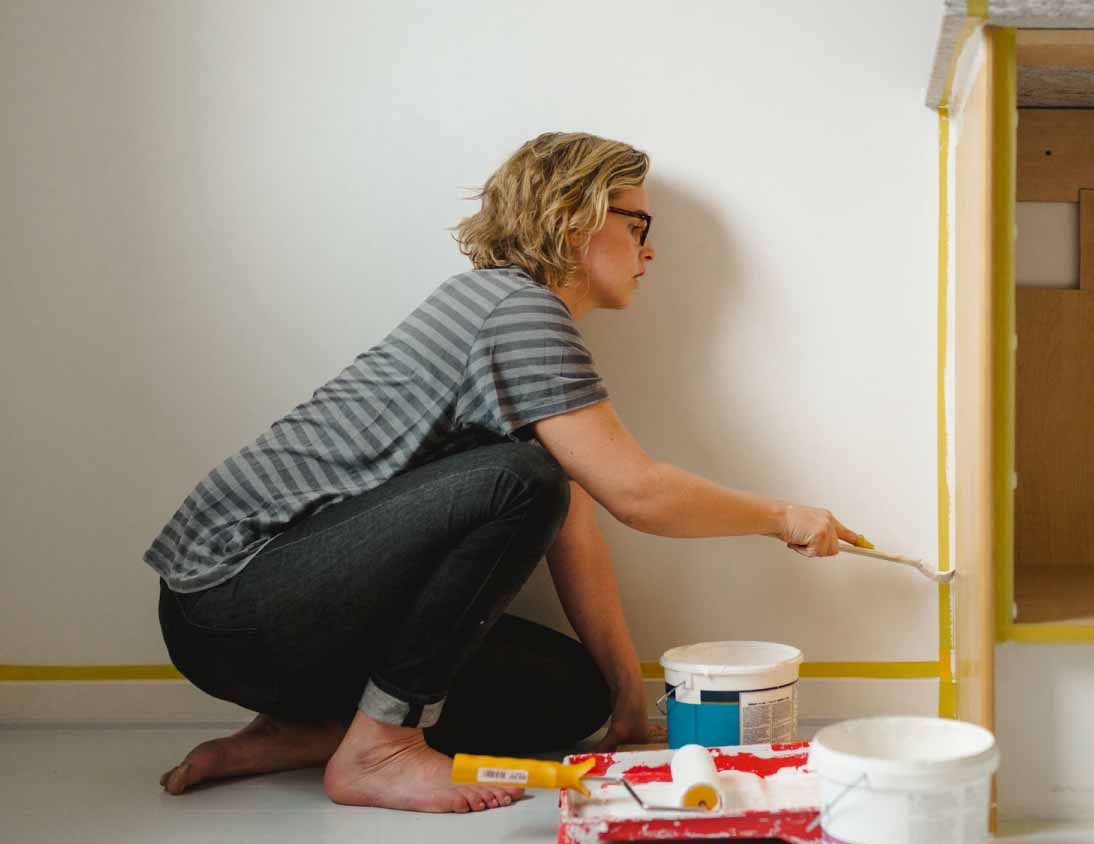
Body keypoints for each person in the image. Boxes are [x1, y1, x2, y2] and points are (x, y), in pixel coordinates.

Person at [144, 132, 860, 813]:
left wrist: (624, 695)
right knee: (522, 479)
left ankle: (308, 732)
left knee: (567, 695)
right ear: (576, 219)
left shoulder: (511, 320)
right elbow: (637, 493)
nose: (649, 250)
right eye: (637, 224)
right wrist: (783, 517)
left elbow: (574, 525)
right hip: (232, 600)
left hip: (284, 624)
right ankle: (380, 747)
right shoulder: (516, 311)